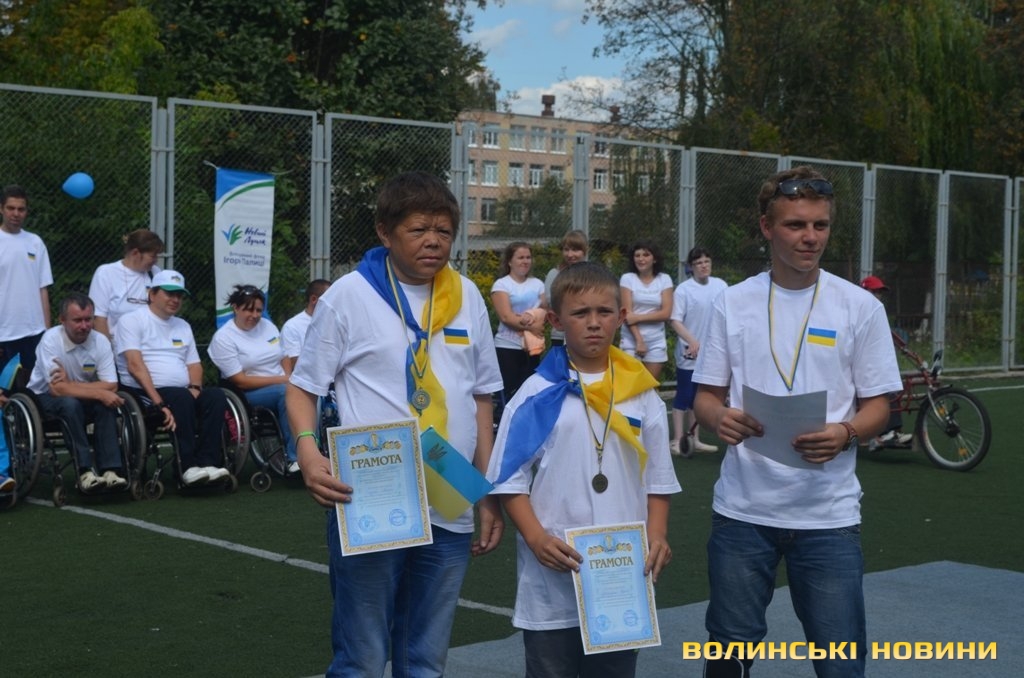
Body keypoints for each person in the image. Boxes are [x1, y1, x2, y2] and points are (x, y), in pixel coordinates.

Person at [285, 171, 505, 677]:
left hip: (450, 488)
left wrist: (487, 489)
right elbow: (303, 387)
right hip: (373, 493)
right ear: (385, 232)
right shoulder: (349, 295)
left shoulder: (466, 294)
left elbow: (481, 397)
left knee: (425, 658)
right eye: (419, 229)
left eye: (444, 231)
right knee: (361, 657)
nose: (434, 241)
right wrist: (308, 451)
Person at [693, 166, 902, 678]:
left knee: (840, 660)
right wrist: (720, 418)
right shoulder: (732, 301)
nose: (810, 237)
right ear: (767, 227)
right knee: (728, 653)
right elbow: (706, 397)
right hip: (743, 512)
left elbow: (880, 406)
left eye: (820, 225)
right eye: (795, 225)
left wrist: (846, 432)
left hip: (828, 516)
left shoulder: (859, 306)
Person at [487, 261, 681, 677]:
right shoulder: (537, 392)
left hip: (622, 576)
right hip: (553, 574)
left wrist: (658, 534)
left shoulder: (642, 393)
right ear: (556, 321)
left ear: (621, 316)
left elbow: (658, 478)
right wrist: (536, 537)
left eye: (604, 312)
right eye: (580, 313)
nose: (594, 323)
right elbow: (508, 478)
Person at [115, 270, 230, 487]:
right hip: (144, 393)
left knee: (216, 396)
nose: (175, 299)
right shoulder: (131, 321)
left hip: (181, 392)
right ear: (152, 294)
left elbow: (194, 365)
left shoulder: (183, 325)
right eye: (169, 294)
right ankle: (186, 467)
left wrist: (195, 388)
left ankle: (208, 463)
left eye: (179, 295)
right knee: (180, 397)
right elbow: (134, 366)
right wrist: (158, 402)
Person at [27, 292, 127, 491]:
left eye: (88, 319)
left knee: (106, 404)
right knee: (71, 403)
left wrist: (72, 385)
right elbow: (57, 389)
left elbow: (111, 385)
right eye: (77, 320)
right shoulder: (50, 340)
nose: (84, 326)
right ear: (62, 320)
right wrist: (99, 392)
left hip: (80, 397)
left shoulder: (101, 341)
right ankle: (85, 472)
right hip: (42, 398)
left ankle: (111, 471)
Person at [208, 284, 298, 474]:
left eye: (258, 310)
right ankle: (294, 458)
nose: (255, 315)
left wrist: (289, 376)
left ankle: (315, 450)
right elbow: (240, 380)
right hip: (247, 393)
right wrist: (283, 380)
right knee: (288, 392)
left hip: (282, 383)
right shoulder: (224, 337)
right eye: (249, 310)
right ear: (235, 308)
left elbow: (284, 356)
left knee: (309, 391)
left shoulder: (268, 326)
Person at [669, 247, 728, 456]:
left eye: (706, 262)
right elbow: (675, 320)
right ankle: (677, 440)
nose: (703, 266)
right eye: (698, 263)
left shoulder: (721, 286)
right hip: (689, 352)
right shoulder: (684, 290)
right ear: (691, 267)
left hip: (711, 353)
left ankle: (694, 439)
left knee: (699, 396)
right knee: (684, 395)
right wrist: (692, 341)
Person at [0, 185, 52, 384]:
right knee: (4, 390)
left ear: (26, 212)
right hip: (4, 332)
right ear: (1, 209)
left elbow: (43, 288)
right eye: (11, 208)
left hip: (34, 331)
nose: (16, 214)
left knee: (32, 389)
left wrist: (47, 332)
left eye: (21, 209)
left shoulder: (35, 242)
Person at [491, 241, 547, 420]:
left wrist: (534, 318)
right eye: (520, 257)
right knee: (508, 392)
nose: (525, 261)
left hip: (531, 347)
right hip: (507, 346)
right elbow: (506, 317)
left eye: (528, 257)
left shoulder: (537, 284)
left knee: (529, 390)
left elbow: (544, 310)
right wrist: (532, 326)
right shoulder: (502, 285)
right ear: (510, 261)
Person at [859, 275, 913, 449]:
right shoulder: (856, 311)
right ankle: (879, 434)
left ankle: (888, 433)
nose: (878, 296)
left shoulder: (876, 312)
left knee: (891, 387)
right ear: (864, 291)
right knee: (882, 389)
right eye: (874, 292)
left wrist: (905, 349)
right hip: (857, 364)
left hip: (869, 363)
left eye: (879, 293)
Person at [88, 229, 164, 339]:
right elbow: (99, 318)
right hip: (117, 343)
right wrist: (107, 347)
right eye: (153, 256)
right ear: (135, 253)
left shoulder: (155, 272)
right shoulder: (106, 273)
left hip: (151, 342)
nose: (156, 261)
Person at [619, 239, 673, 379]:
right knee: (630, 385)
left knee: (650, 386)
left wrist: (637, 317)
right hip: (631, 340)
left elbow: (666, 313)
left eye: (646, 255)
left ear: (654, 259)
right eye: (637, 255)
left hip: (656, 341)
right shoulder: (627, 279)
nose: (641, 259)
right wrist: (639, 341)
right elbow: (627, 314)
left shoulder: (664, 279)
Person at [544, 230, 588, 347]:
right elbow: (550, 302)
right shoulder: (554, 274)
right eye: (566, 249)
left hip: (585, 333)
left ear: (584, 251)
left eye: (575, 250)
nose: (570, 254)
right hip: (560, 334)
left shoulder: (592, 275)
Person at [280, 278, 331, 372]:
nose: (334, 303)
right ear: (314, 299)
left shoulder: (336, 322)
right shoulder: (292, 326)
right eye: (330, 298)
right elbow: (295, 363)